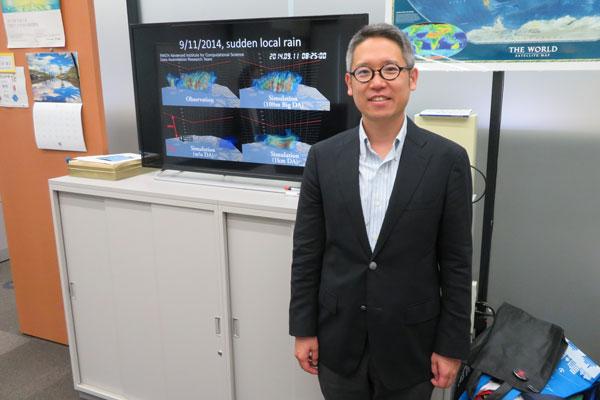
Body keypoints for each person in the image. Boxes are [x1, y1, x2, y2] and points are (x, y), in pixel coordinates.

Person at [289, 23, 473, 400]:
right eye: (365, 72)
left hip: (412, 345)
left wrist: (452, 345)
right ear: (349, 82)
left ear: (412, 77)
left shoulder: (447, 160)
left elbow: (456, 262)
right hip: (338, 342)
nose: (377, 82)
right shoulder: (323, 158)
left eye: (390, 69)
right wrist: (303, 328)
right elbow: (307, 252)